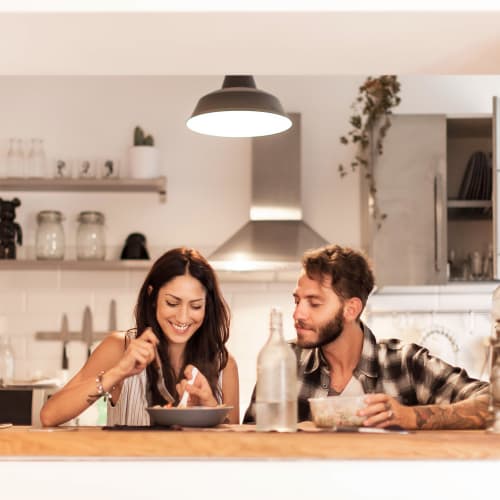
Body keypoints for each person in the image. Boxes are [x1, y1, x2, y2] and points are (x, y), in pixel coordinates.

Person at [244, 244, 490, 430]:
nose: (298, 314)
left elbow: (493, 404)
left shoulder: (404, 362)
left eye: (314, 303)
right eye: (297, 301)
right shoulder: (284, 361)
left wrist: (409, 416)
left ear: (351, 309)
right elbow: (249, 440)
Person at [41, 247, 239, 426]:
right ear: (153, 297)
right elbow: (49, 415)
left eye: (195, 306)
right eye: (172, 303)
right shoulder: (119, 348)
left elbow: (238, 450)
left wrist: (210, 406)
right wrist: (117, 372)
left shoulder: (224, 364)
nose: (183, 317)